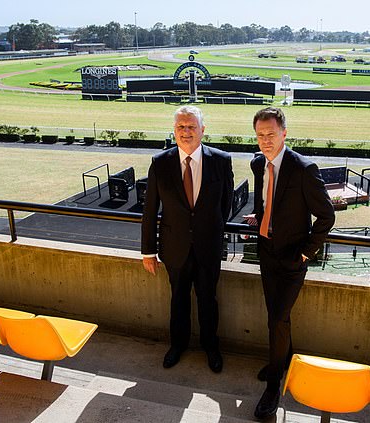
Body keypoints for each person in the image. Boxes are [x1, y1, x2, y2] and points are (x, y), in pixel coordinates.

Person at [249, 107, 335, 419]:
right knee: (278, 317)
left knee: (276, 319)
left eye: (271, 134)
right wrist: (260, 218)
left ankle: (274, 384)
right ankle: (283, 360)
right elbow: (266, 201)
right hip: (266, 252)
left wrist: (305, 253)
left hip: (292, 259)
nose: (265, 141)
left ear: (284, 133)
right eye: (260, 135)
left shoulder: (304, 168)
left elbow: (327, 216)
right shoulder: (258, 163)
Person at [141, 105, 234, 373]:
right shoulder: (160, 162)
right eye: (181, 127)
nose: (186, 131)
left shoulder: (221, 160)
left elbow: (225, 204)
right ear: (174, 130)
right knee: (178, 299)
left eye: (192, 126)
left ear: (203, 130)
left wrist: (210, 229)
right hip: (174, 248)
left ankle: (211, 348)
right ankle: (177, 345)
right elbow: (150, 211)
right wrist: (148, 251)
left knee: (208, 300)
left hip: (208, 247)